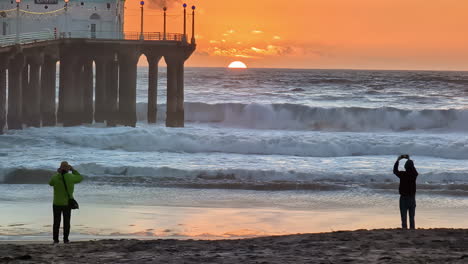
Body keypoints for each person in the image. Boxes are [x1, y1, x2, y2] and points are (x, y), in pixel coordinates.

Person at [48, 161, 83, 244]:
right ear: (68, 168)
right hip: (67, 203)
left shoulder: (55, 177)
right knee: (66, 222)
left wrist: (57, 173)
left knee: (56, 222)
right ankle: (66, 239)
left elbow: (50, 183)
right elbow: (80, 178)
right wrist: (73, 170)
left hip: (56, 203)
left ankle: (55, 240)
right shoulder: (71, 177)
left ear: (60, 168)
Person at [393, 155, 419, 229]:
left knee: (403, 217)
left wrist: (398, 160)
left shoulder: (402, 174)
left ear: (405, 167)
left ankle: (404, 230)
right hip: (412, 198)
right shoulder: (414, 175)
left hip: (403, 198)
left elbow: (395, 171)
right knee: (412, 217)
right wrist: (409, 160)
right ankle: (412, 230)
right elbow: (414, 169)